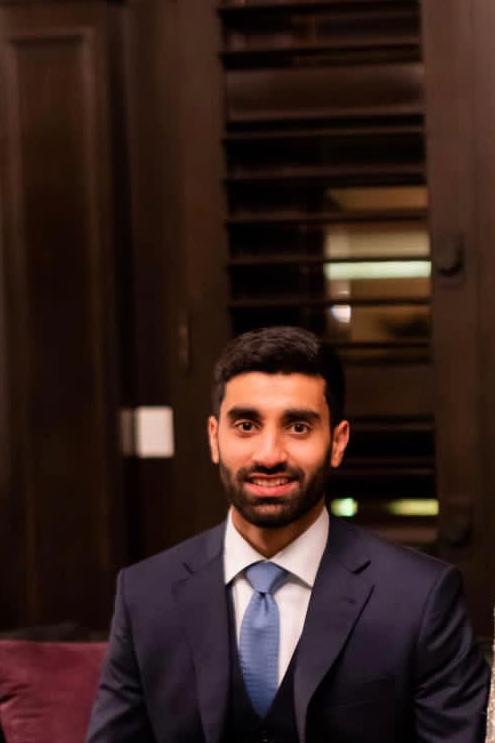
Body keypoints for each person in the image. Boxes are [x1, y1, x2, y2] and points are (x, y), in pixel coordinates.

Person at [86, 326, 489, 743]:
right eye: (246, 425)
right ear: (214, 438)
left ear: (337, 442)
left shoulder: (421, 597)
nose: (269, 455)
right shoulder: (144, 594)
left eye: (298, 427)